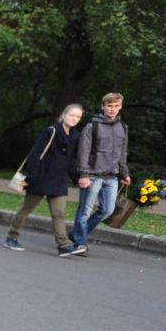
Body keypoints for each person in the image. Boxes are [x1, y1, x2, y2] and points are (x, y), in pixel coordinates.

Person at [4, 103, 82, 255]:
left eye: (78, 117)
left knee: (59, 214)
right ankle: (11, 237)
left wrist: (77, 178)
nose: (74, 119)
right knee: (26, 210)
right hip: (40, 178)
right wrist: (31, 177)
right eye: (72, 115)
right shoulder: (51, 131)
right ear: (64, 114)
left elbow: (69, 161)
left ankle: (63, 245)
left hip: (59, 181)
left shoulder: (75, 136)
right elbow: (35, 154)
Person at [67, 91, 131, 256]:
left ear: (120, 107)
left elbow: (122, 153)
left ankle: (76, 234)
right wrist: (83, 175)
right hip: (93, 176)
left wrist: (125, 173)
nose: (112, 109)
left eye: (116, 106)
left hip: (112, 177)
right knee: (85, 210)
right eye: (109, 106)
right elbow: (83, 153)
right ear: (103, 106)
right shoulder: (92, 126)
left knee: (107, 210)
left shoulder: (123, 127)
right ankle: (80, 242)